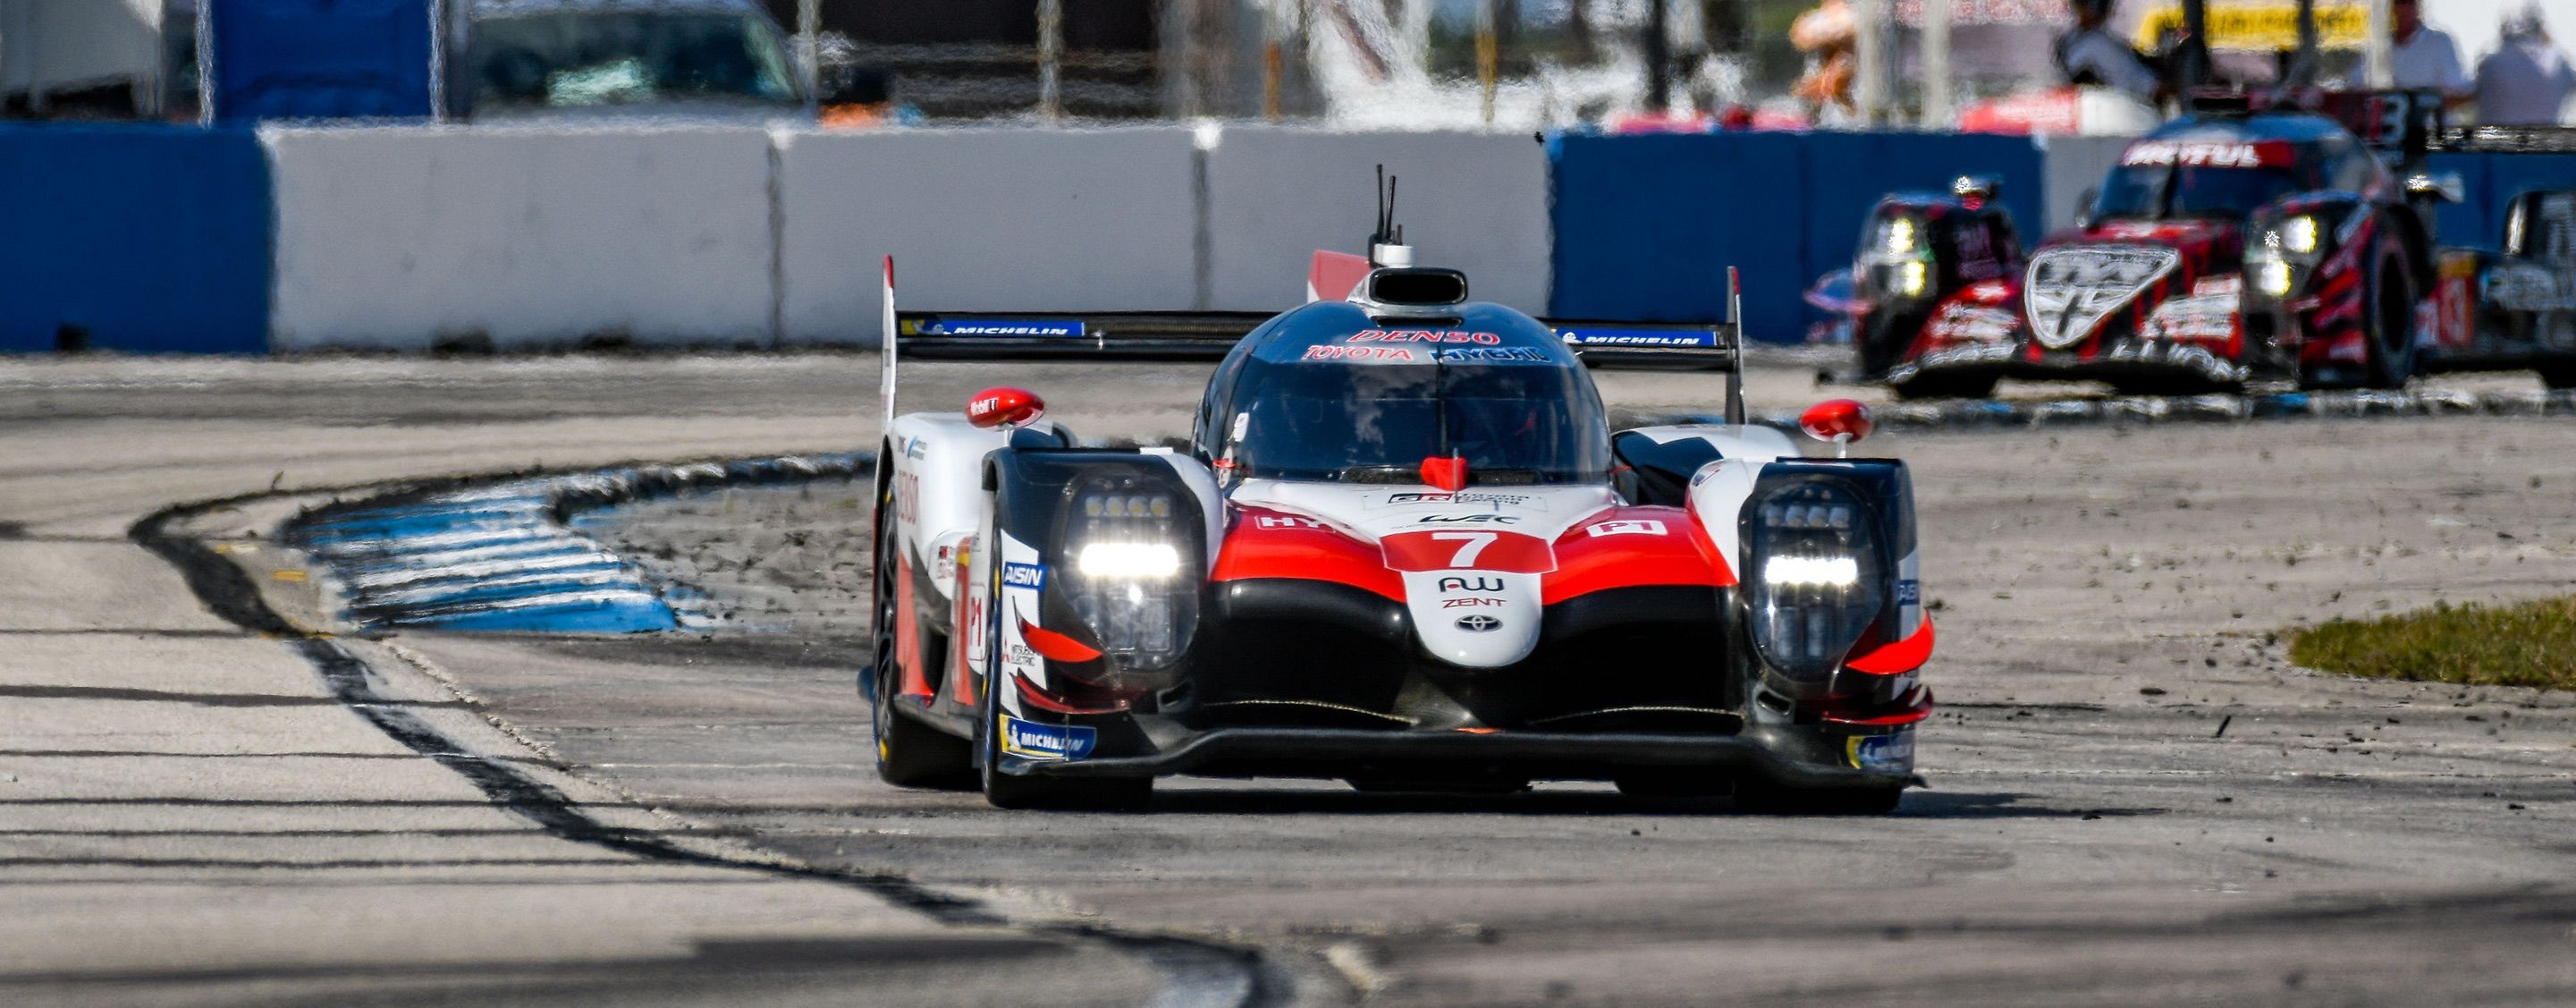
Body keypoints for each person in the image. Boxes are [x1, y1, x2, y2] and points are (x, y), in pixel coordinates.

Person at [2348, 0, 2470, 102]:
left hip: (2429, 125)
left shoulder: (2439, 42)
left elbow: (2458, 91)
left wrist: (2420, 103)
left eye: (2408, 3)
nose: (2403, 9)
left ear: (2417, 8)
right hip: (2390, 126)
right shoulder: (2378, 47)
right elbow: (2355, 86)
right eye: (2398, 3)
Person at [2475, 4, 2575, 125]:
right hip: (2546, 140)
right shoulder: (2558, 60)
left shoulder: (2491, 62)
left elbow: (2465, 93)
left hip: (2495, 141)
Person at [2055, 0, 2160, 102]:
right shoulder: (2099, 44)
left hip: (2081, 110)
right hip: (2117, 113)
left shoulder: (2070, 41)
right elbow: (2152, 88)